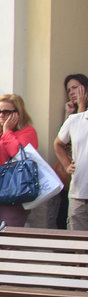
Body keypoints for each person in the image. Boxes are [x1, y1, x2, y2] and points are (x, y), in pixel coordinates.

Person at [0, 93, 38, 232]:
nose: (1, 115)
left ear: (18, 114)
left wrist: (6, 131)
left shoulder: (27, 132)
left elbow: (17, 154)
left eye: (6, 112)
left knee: (6, 238)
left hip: (12, 192)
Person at [53, 78, 88, 232]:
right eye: (69, 90)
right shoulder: (75, 119)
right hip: (78, 192)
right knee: (77, 245)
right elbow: (58, 143)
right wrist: (67, 165)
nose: (72, 93)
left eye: (76, 88)